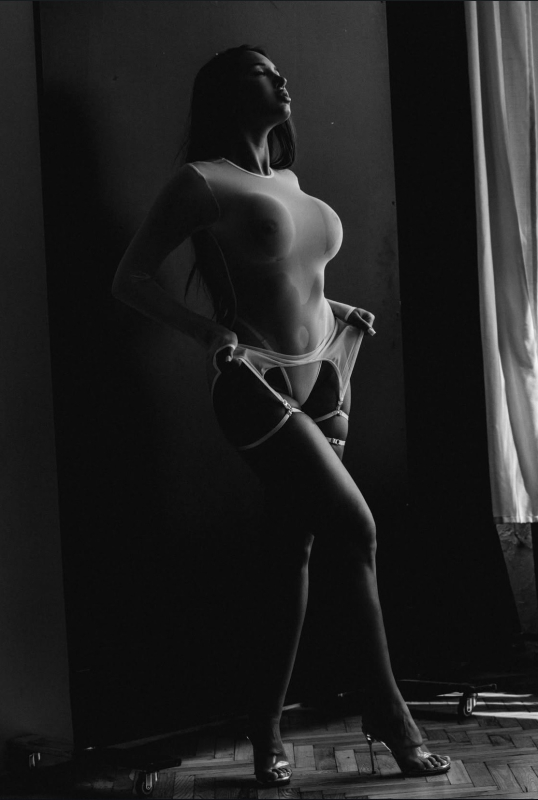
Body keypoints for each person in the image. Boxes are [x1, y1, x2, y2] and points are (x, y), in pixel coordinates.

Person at [111, 44, 451, 787]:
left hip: (329, 367)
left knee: (288, 555)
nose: (282, 79)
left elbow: (294, 279)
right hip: (255, 379)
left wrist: (340, 311)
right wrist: (207, 332)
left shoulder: (288, 181)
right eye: (263, 73)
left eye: (278, 71)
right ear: (228, 92)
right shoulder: (201, 182)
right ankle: (389, 712)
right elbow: (129, 278)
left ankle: (264, 729)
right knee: (355, 528)